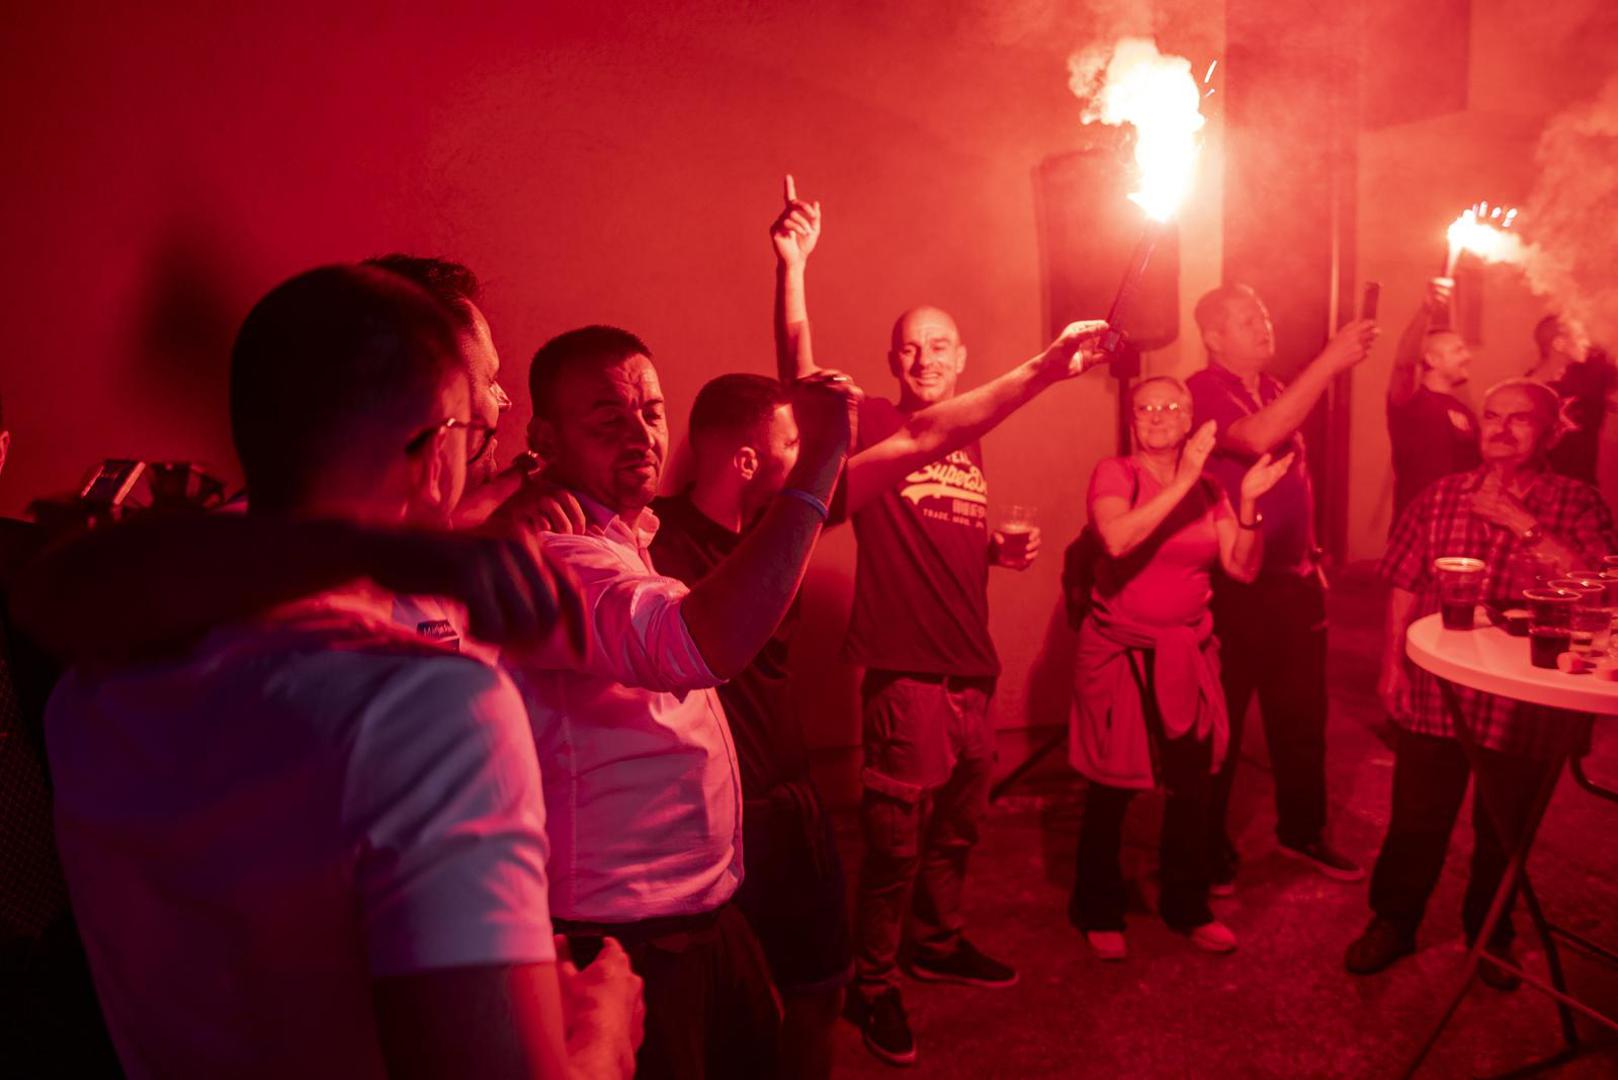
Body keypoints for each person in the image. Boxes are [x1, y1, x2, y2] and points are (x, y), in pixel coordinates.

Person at [40, 265, 641, 1079]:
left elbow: (66, 583)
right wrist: (604, 1031)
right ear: (433, 448)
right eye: (473, 428)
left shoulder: (101, 668)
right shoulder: (430, 709)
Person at [770, 175, 1108, 1066]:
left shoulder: (969, 431)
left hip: (972, 668)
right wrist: (793, 267)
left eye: (940, 346)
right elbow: (800, 384)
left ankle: (937, 942)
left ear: (961, 359)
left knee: (959, 830)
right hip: (906, 670)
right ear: (895, 363)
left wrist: (993, 548)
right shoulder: (879, 422)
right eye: (910, 348)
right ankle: (874, 983)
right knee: (893, 844)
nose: (925, 359)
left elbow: (935, 523)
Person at [510, 323, 860, 1080]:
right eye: (607, 418)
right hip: (622, 940)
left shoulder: (630, 538)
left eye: (651, 411)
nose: (640, 433)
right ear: (545, 438)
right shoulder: (553, 556)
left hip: (704, 915)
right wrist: (821, 461)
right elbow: (698, 644)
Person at [1350, 378, 1616, 986]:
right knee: (1417, 819)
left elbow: (1602, 591)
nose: (1501, 428)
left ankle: (1490, 932)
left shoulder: (1577, 502)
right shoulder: (1443, 495)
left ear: (1550, 434)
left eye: (1520, 419)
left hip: (1525, 705)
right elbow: (1404, 581)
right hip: (1440, 693)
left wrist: (1524, 526)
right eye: (1492, 416)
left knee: (1504, 831)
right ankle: (1393, 921)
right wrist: (1391, 666)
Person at [1069, 377, 1291, 961]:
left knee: (1193, 785)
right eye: (1146, 407)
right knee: (1112, 788)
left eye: (1171, 406)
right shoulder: (1116, 473)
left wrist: (1249, 505)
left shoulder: (1211, 488)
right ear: (1132, 420)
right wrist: (1184, 479)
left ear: (1190, 418)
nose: (1158, 415)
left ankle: (1186, 905)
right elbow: (1117, 540)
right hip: (1120, 652)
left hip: (1186, 653)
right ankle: (1097, 907)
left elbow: (1241, 569)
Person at [1187, 284, 1377, 892]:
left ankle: (1303, 831)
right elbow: (1255, 439)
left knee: (1302, 719)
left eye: (1264, 314)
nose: (1263, 325)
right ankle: (1203, 847)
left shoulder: (1273, 388)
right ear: (1213, 337)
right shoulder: (1200, 391)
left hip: (1295, 585)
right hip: (1235, 585)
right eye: (1247, 319)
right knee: (1221, 726)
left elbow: (1299, 481)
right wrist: (1329, 361)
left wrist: (1313, 554)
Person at [1386, 278, 1479, 526]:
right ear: (1431, 359)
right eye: (1458, 350)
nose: (1468, 357)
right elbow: (1405, 364)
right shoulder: (1412, 402)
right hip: (1419, 527)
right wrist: (1426, 310)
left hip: (1457, 525)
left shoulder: (1464, 411)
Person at [1527, 314, 1614, 484]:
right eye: (1580, 336)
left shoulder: (1592, 376)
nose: (1587, 343)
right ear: (1559, 344)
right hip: (1542, 488)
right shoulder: (1526, 391)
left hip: (1583, 486)